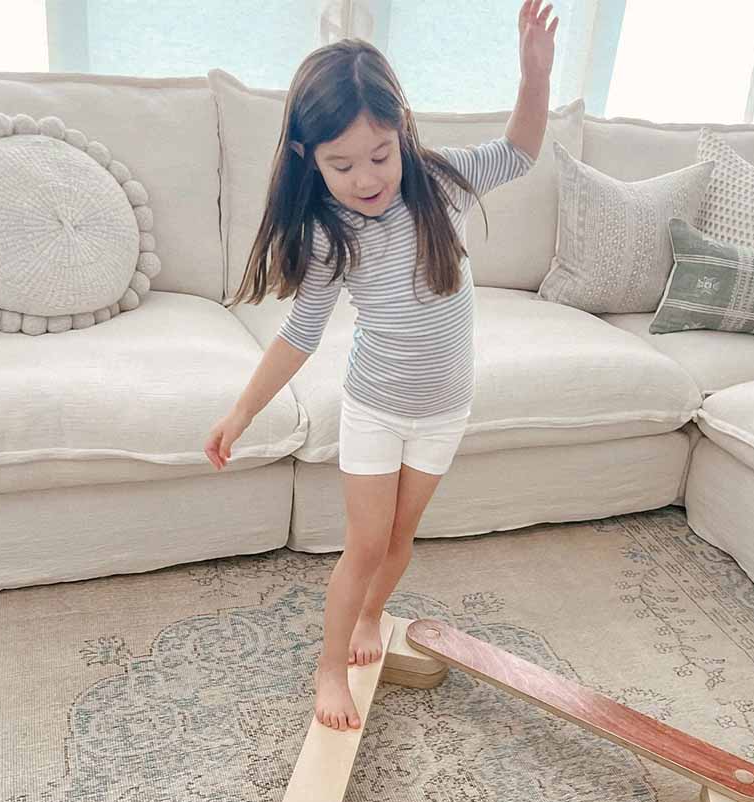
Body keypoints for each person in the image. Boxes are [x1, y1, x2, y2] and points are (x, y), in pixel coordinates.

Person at [205, 1, 558, 731]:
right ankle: (329, 669)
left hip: (445, 408)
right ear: (308, 158)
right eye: (341, 164)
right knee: (364, 544)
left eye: (378, 156)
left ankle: (372, 617)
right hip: (375, 407)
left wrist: (534, 75)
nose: (365, 178)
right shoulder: (330, 230)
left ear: (402, 132)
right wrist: (240, 412)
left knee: (399, 540)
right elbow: (301, 334)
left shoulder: (445, 181)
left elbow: (521, 150)